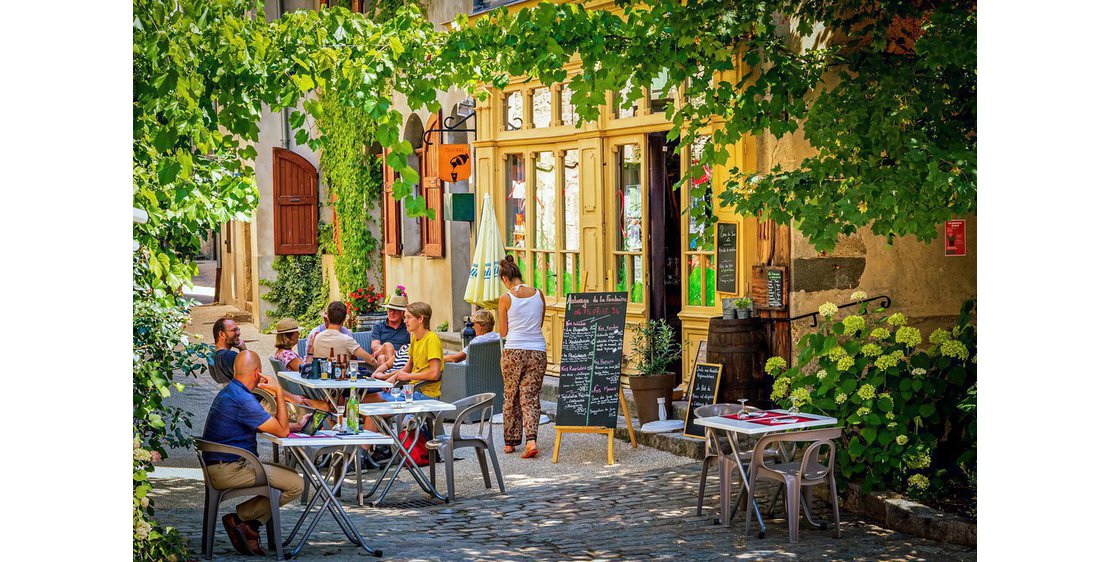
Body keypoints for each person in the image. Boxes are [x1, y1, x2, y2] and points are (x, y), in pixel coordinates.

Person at [200, 351, 309, 556]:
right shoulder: (243, 399)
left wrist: (298, 425)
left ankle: (250, 528)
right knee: (296, 484)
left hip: (219, 466)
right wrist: (278, 391)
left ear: (235, 371)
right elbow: (281, 431)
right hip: (230, 469)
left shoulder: (231, 392)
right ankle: (240, 520)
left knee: (287, 474)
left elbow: (267, 425)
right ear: (258, 373)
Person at [497, 255, 547, 459]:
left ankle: (510, 442)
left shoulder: (506, 298)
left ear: (505, 280)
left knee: (511, 394)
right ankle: (531, 440)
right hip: (538, 350)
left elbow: (503, 331)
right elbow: (540, 323)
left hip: (514, 350)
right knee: (530, 396)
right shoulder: (539, 294)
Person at [367, 302, 443, 402]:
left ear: (420, 319)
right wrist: (393, 378)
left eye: (408, 317)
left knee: (371, 408)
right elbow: (409, 365)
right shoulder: (415, 338)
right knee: (363, 402)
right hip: (410, 391)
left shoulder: (432, 339)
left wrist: (407, 376)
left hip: (423, 395)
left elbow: (434, 373)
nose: (405, 321)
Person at [270, 318, 332, 412]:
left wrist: (310, 349)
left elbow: (305, 368)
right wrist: (311, 350)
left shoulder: (281, 352)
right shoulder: (288, 355)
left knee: (333, 399)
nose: (298, 335)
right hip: (299, 396)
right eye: (296, 332)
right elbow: (308, 372)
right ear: (289, 336)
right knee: (331, 403)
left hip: (296, 394)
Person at [307, 301, 377, 364]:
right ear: (344, 319)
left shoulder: (317, 337)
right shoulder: (347, 339)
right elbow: (370, 359)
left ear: (327, 317)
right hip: (341, 377)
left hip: (321, 376)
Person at [368, 293, 411, 368]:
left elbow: (412, 347)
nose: (391, 313)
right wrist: (388, 350)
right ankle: (392, 376)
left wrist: (393, 352)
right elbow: (374, 346)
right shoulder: (379, 326)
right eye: (390, 309)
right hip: (383, 357)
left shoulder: (408, 327)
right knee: (382, 357)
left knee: (384, 355)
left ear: (402, 312)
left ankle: (385, 377)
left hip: (402, 360)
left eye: (395, 310)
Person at [210, 318, 247, 384]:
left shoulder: (211, 356)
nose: (238, 333)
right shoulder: (229, 356)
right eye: (234, 330)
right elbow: (249, 376)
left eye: (238, 329)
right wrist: (244, 350)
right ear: (221, 334)